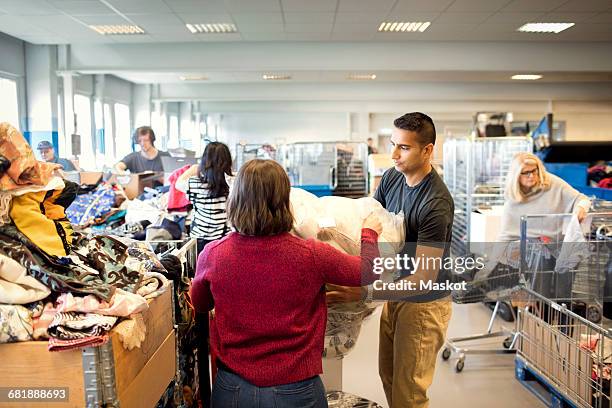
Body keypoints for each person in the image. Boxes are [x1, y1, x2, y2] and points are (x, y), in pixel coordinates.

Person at [190, 159, 382, 408]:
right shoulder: (310, 254)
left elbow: (200, 303)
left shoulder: (213, 254)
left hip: (233, 390)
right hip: (297, 390)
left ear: (235, 200)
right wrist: (369, 234)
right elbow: (368, 272)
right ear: (284, 201)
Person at [327, 112, 454, 408]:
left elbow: (423, 278)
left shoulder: (435, 203)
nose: (394, 155)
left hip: (424, 302)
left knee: (408, 392)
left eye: (404, 148)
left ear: (428, 150)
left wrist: (365, 293)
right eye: (393, 145)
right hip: (396, 292)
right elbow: (369, 220)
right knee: (389, 375)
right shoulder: (392, 178)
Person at [499, 152, 590, 241]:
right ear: (516, 175)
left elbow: (582, 199)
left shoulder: (552, 182)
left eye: (534, 170)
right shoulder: (512, 199)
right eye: (526, 172)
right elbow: (506, 237)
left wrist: (581, 207)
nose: (531, 176)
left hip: (556, 245)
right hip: (526, 249)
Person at [176, 142, 234, 255]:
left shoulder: (194, 184)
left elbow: (177, 183)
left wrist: (194, 168)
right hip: (224, 240)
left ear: (204, 161)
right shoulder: (232, 184)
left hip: (199, 240)